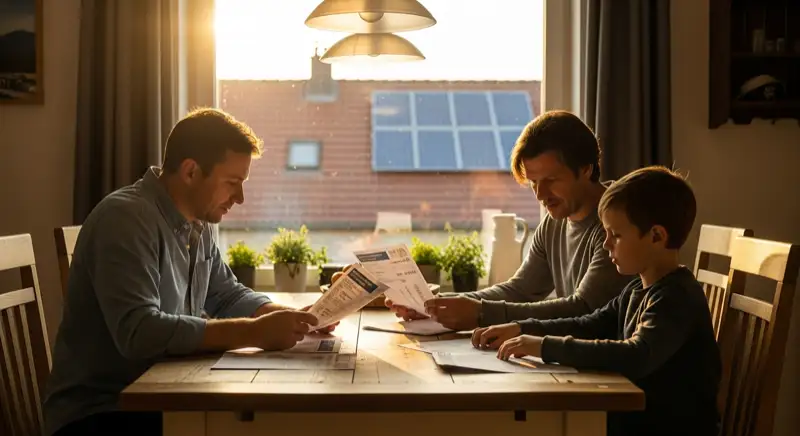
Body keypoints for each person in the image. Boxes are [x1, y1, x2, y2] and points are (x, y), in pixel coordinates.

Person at [44, 108, 334, 436]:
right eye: (232, 183)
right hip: (101, 413)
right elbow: (140, 332)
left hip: (163, 399)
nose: (240, 198)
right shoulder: (124, 220)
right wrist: (254, 332)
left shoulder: (197, 221)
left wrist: (290, 318)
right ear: (191, 172)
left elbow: (226, 295)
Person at [472, 166, 721, 436]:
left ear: (656, 236)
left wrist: (544, 346)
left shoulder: (676, 297)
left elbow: (636, 355)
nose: (605, 244)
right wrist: (522, 329)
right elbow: (589, 324)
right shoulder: (636, 289)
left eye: (616, 235)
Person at [389, 110, 631, 330]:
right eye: (533, 182)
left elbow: (583, 308)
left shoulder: (617, 226)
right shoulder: (554, 222)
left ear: (586, 169)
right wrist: (436, 306)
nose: (540, 194)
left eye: (551, 180)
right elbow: (520, 290)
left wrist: (481, 313)